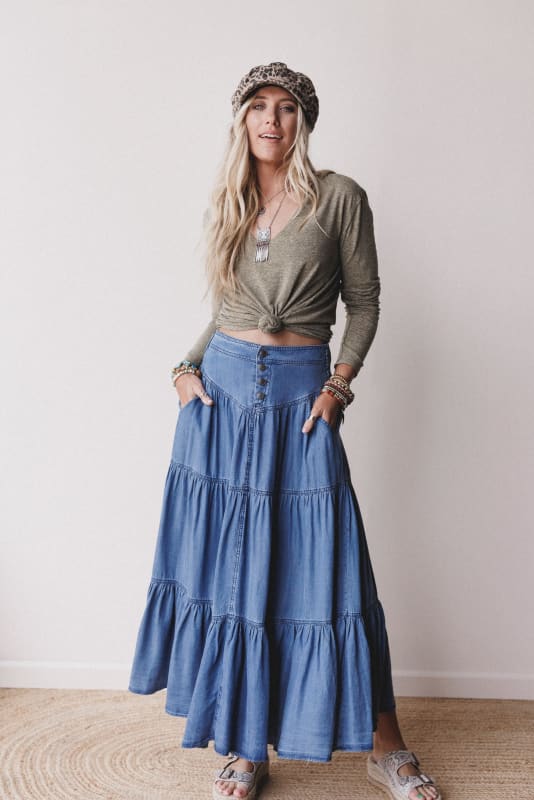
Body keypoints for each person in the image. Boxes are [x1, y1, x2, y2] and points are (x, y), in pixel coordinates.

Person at [128, 62, 442, 800]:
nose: (272, 119)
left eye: (287, 107)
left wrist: (338, 387)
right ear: (241, 119)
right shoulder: (232, 200)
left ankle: (385, 747)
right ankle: (246, 747)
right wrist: (183, 369)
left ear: (305, 121)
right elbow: (226, 310)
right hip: (221, 401)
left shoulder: (339, 197)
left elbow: (364, 303)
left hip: (303, 397)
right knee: (236, 575)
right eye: (258, 106)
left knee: (331, 573)